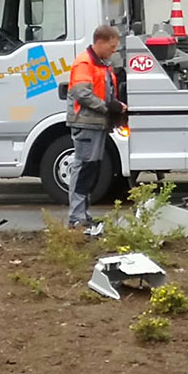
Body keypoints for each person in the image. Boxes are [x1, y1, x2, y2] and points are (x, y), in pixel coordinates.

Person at [66, 25, 126, 232]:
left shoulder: (99, 63)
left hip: (95, 123)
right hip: (87, 123)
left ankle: (82, 215)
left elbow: (101, 92)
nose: (113, 50)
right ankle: (77, 216)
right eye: (111, 46)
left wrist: (114, 106)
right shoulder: (85, 63)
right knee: (84, 169)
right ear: (99, 42)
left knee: (90, 169)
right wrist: (107, 107)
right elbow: (82, 93)